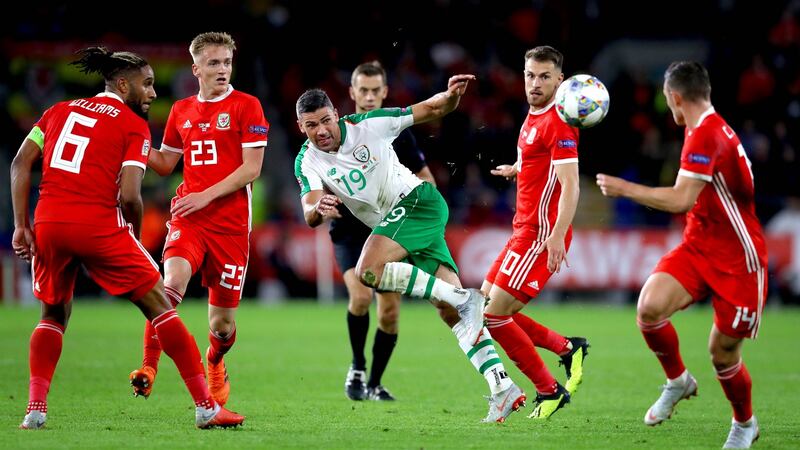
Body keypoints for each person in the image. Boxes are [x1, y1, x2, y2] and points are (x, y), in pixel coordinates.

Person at [10, 47, 243, 429]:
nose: (152, 92)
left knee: (53, 314)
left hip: (49, 222)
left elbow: (21, 162)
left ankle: (35, 410)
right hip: (98, 225)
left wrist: (22, 225)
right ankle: (206, 407)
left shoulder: (57, 111)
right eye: (146, 84)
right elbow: (130, 196)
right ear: (122, 84)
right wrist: (131, 234)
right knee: (162, 307)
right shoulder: (133, 125)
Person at [294, 77, 526, 423]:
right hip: (402, 223)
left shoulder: (368, 125)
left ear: (336, 114)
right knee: (450, 312)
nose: (321, 130)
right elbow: (309, 209)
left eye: (326, 120)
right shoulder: (307, 161)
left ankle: (464, 298)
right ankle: (503, 387)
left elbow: (430, 109)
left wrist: (450, 97)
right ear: (301, 127)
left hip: (418, 203)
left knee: (367, 271)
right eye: (311, 125)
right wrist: (318, 210)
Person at [597, 61, 766, 449]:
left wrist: (625, 188)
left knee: (722, 354)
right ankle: (678, 381)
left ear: (674, 97)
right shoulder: (704, 126)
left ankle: (744, 424)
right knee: (649, 309)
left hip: (739, 260)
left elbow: (680, 198)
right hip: (700, 244)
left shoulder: (706, 134)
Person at [129, 32, 268, 407]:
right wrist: (133, 137)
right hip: (189, 221)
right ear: (196, 69)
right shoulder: (181, 111)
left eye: (226, 62)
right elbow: (164, 163)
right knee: (169, 284)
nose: (222, 69)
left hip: (231, 227)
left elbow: (252, 169)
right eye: (213, 63)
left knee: (220, 327)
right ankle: (147, 368)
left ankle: (216, 360)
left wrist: (204, 195)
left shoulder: (247, 105)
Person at [483, 46, 590, 420]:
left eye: (544, 76)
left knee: (494, 316)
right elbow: (541, 164)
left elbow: (571, 186)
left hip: (541, 233)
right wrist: (519, 168)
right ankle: (566, 348)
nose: (535, 83)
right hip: (523, 229)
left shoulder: (559, 123)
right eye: (530, 75)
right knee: (486, 306)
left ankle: (549, 390)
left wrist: (557, 235)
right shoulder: (534, 116)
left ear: (560, 80)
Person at [334, 61, 437, 402]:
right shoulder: (338, 132)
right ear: (352, 93)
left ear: (385, 93)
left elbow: (427, 180)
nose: (368, 96)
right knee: (361, 296)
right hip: (349, 230)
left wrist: (416, 207)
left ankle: (375, 384)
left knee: (390, 313)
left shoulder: (396, 131)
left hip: (388, 230)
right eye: (362, 90)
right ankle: (357, 367)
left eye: (375, 90)